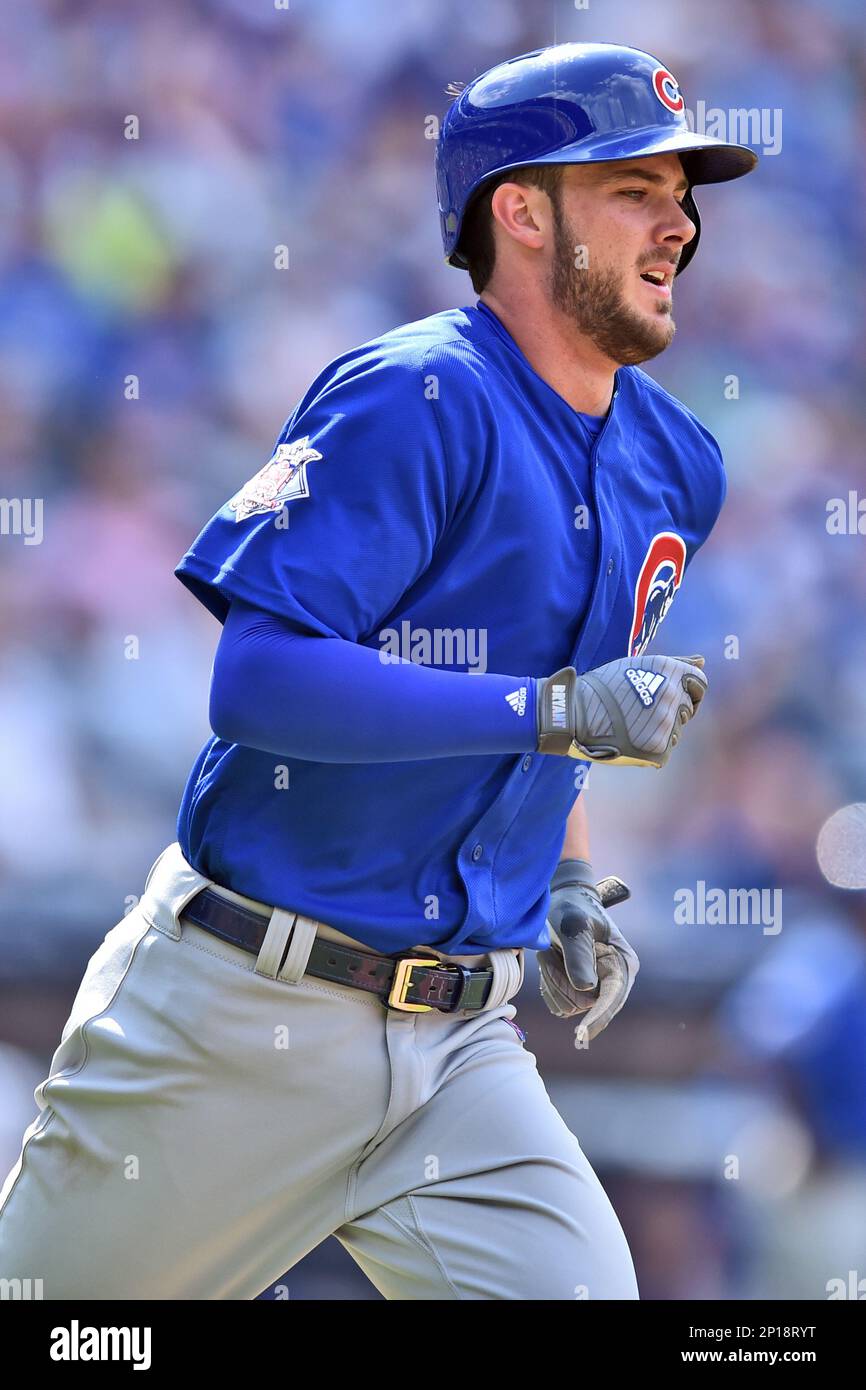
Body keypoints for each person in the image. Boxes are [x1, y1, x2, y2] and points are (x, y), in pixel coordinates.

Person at [0, 41, 756, 1300]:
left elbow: (552, 711)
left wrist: (563, 876)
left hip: (465, 1044)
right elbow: (259, 682)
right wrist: (553, 710)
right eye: (633, 187)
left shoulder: (677, 461)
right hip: (241, 1010)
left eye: (683, 193)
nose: (677, 220)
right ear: (520, 210)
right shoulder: (415, 396)